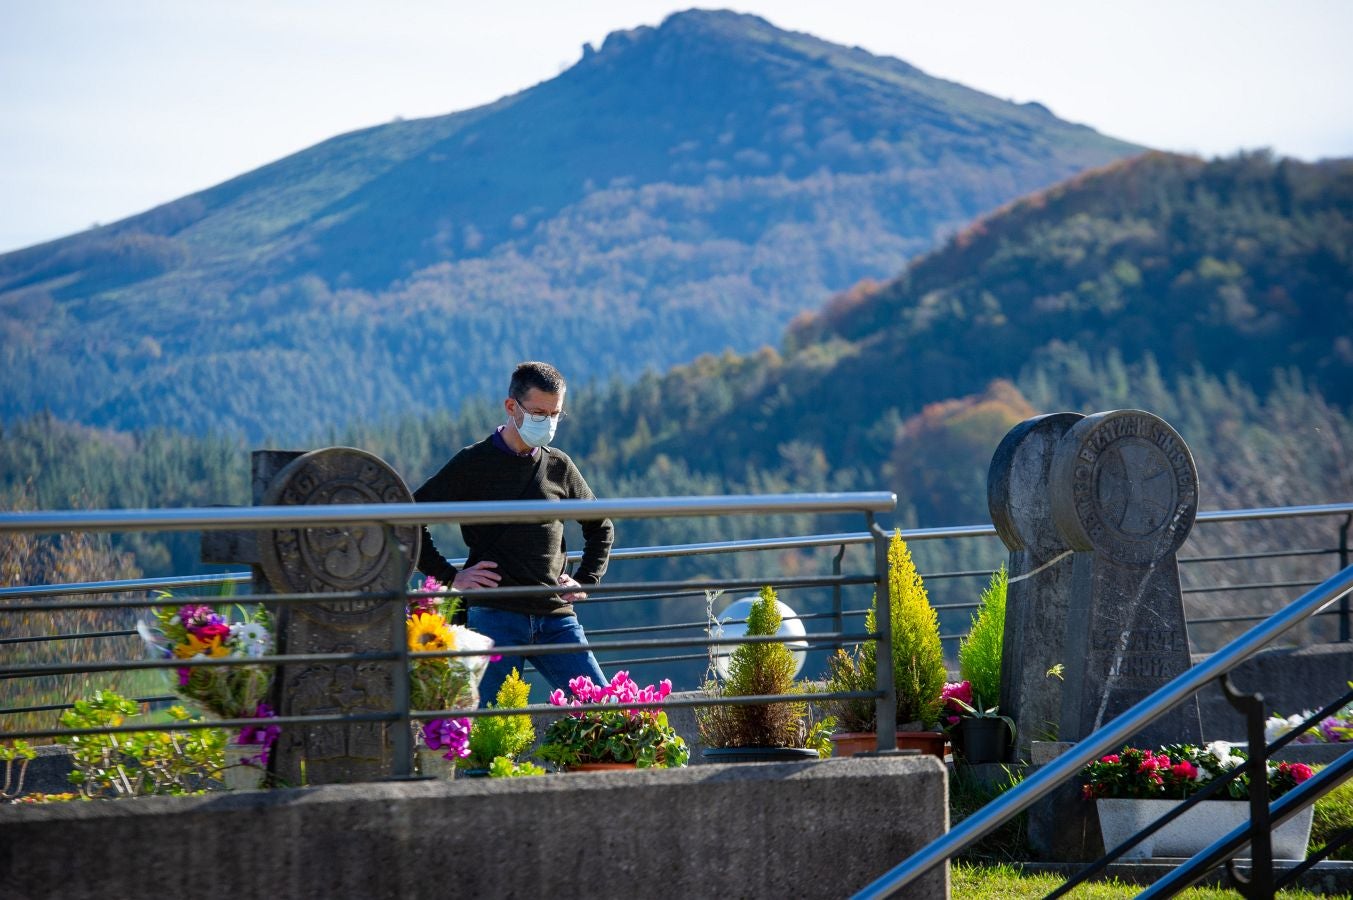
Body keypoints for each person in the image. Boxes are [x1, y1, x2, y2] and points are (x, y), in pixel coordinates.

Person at [414, 361, 614, 706]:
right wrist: (451, 576)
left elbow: (600, 526)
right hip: (495, 616)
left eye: (555, 415)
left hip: (556, 616)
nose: (548, 423)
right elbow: (408, 518)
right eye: (539, 413)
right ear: (511, 407)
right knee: (486, 726)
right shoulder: (472, 463)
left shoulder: (559, 465)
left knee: (606, 710)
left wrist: (586, 580)